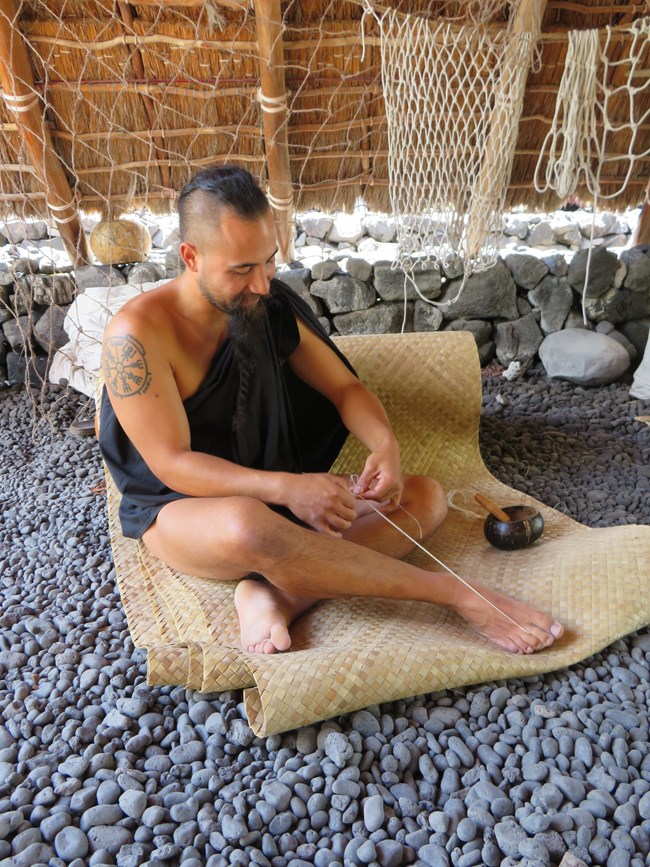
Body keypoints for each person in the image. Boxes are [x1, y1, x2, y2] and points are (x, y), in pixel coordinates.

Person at [99, 165, 564, 656]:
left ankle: (276, 592)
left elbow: (344, 388)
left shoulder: (264, 304)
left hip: (274, 485)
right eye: (241, 269)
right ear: (190, 257)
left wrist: (385, 445)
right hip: (181, 510)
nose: (262, 284)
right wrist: (289, 488)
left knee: (424, 499)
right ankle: (459, 597)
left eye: (269, 262)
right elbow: (172, 464)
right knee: (248, 525)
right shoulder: (136, 337)